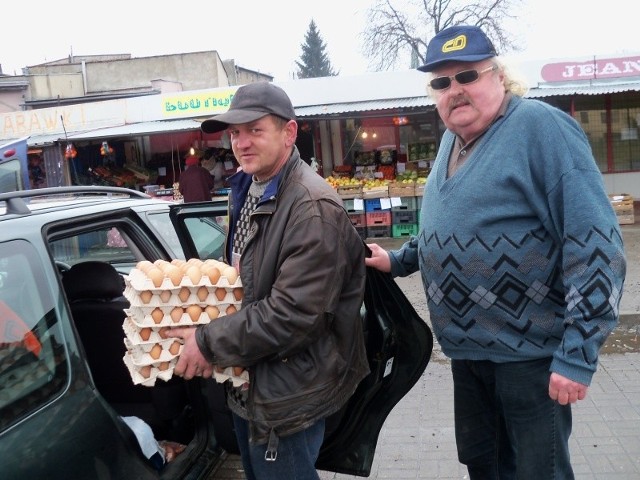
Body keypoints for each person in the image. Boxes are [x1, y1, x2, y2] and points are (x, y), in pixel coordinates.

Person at [365, 25, 626, 479]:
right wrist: (399, 260)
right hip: (468, 354)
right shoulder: (452, 139)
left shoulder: (541, 129)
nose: (455, 90)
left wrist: (578, 354)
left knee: (536, 471)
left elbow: (597, 246)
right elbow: (447, 228)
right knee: (483, 463)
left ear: (499, 77)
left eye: (468, 75)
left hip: (530, 358)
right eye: (442, 83)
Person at [168, 82, 369, 480]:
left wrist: (208, 340)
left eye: (255, 130)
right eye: (235, 133)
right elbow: (250, 281)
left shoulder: (311, 208)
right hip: (252, 378)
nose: (241, 142)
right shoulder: (247, 189)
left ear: (288, 133)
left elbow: (293, 315)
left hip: (288, 391)